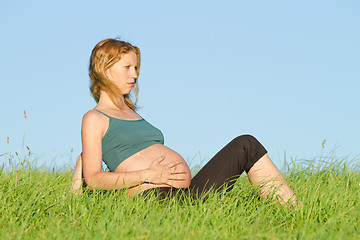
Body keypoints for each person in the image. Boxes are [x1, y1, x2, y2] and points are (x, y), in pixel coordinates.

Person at [71, 38, 300, 205]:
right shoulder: (94, 118)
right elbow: (94, 179)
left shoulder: (133, 115)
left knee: (246, 144)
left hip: (185, 197)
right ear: (106, 69)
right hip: (154, 200)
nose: (135, 75)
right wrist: (148, 176)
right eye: (127, 68)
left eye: (136, 68)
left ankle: (294, 214)